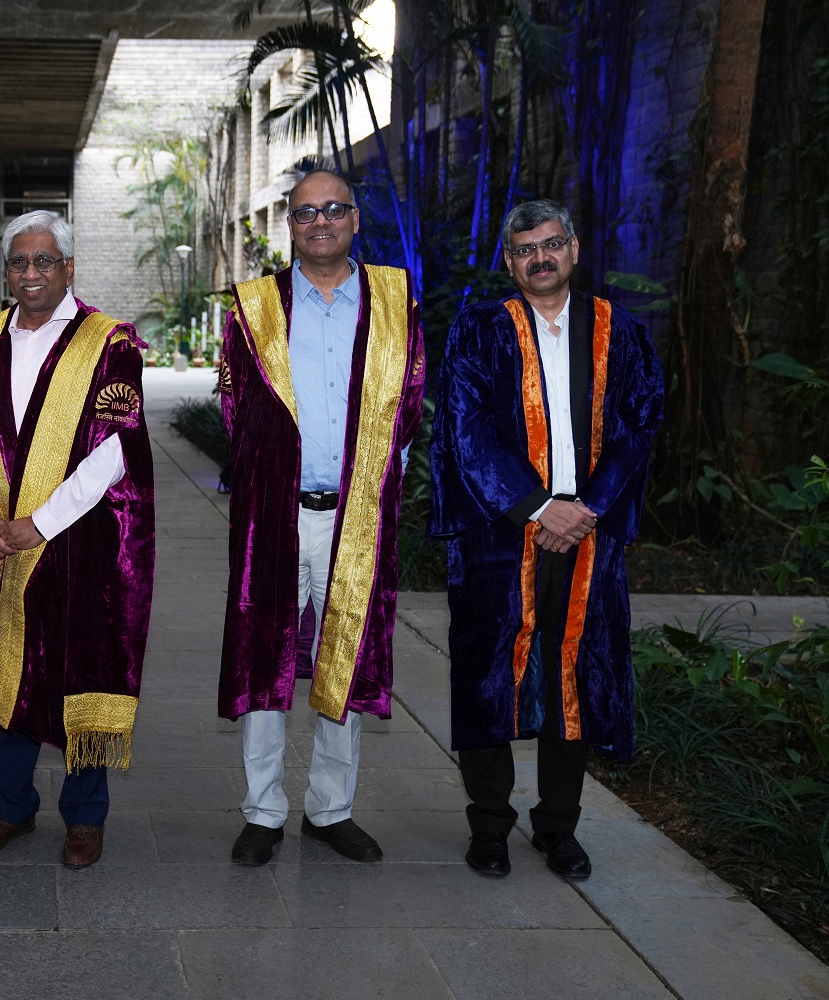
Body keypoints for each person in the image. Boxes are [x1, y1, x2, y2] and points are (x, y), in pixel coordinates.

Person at [429, 199, 664, 880]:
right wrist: (535, 507)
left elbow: (638, 425)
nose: (541, 257)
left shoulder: (622, 334)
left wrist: (587, 506)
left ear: (574, 249)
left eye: (552, 244)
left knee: (576, 679)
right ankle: (491, 827)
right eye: (526, 249)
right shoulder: (479, 333)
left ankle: (559, 827)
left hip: (589, 535)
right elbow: (465, 432)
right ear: (510, 262)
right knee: (487, 678)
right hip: (502, 537)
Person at [218, 170, 426, 866]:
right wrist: (260, 478)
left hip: (358, 516)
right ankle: (262, 811)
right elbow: (233, 404)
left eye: (333, 209)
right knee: (265, 658)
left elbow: (412, 400)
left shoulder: (395, 300)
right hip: (276, 515)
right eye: (306, 213)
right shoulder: (255, 307)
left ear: (355, 219)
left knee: (347, 655)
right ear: (292, 227)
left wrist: (380, 478)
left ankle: (331, 810)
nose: (320, 221)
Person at [0, 210, 155, 869]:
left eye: (44, 261)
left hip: (80, 544)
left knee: (81, 670)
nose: (30, 273)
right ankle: (11, 806)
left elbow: (114, 450)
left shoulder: (109, 341)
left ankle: (85, 816)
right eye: (19, 262)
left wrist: (35, 524)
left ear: (69, 268)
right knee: (8, 669)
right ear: (6, 271)